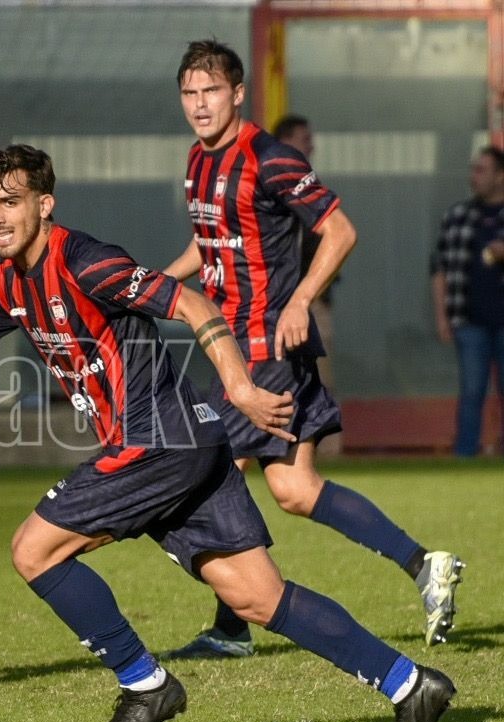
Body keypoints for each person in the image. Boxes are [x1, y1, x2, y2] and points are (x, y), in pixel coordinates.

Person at [0, 144, 455, 722]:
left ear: (45, 203)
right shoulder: (4, 283)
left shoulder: (87, 261)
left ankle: (147, 685)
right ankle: (411, 685)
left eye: (11, 202)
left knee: (33, 550)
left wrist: (241, 387)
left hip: (158, 440)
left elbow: (191, 302)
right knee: (256, 596)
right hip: (186, 445)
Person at [162, 40, 465, 659]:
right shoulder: (197, 159)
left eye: (211, 91)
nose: (199, 104)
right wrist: (153, 290)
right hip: (238, 349)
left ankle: (232, 626)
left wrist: (301, 299)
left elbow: (340, 230)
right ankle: (423, 564)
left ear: (238, 94)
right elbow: (211, 243)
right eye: (190, 93)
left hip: (269, 347)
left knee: (211, 470)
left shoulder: (270, 158)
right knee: (296, 490)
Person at [273, 114, 342, 457]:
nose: (311, 145)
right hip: (275, 305)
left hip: (311, 302)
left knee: (319, 381)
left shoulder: (307, 186)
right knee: (274, 382)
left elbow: (341, 234)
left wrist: (310, 296)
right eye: (304, 138)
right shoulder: (270, 183)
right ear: (285, 141)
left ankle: (328, 453)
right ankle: (278, 452)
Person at [431, 146, 504, 457]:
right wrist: (442, 317)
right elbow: (438, 269)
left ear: (500, 176)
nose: (474, 176)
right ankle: (465, 455)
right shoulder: (458, 216)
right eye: (474, 169)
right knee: (472, 391)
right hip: (469, 321)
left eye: (482, 170)